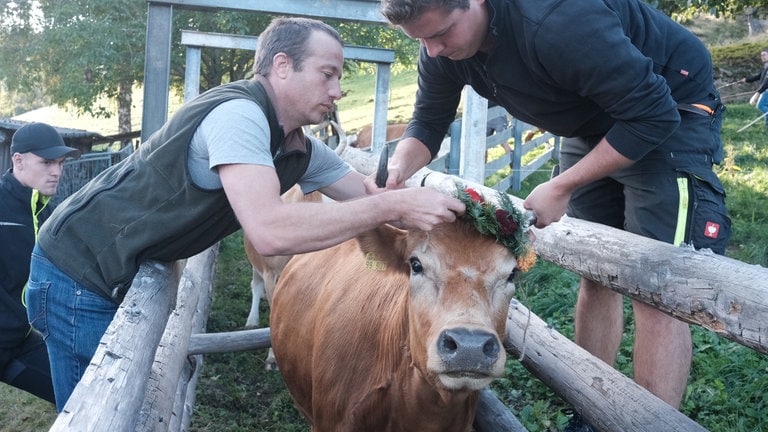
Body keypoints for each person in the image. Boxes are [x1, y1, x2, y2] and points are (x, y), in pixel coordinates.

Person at [25, 17, 464, 412]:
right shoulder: (239, 116)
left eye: (340, 78)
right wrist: (392, 205)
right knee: (101, 414)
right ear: (282, 66)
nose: (337, 90)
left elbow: (366, 195)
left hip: (108, 269)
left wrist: (456, 216)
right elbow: (269, 231)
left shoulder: (296, 146)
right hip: (78, 271)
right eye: (327, 74)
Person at [376, 0, 731, 429]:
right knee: (596, 271)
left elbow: (652, 113)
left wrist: (563, 185)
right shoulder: (439, 48)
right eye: (421, 40)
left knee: (655, 287)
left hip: (668, 111)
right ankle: (590, 410)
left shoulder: (555, 19)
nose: (431, 49)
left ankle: (648, 424)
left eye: (441, 33)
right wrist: (396, 173)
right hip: (592, 123)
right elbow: (427, 124)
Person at [1, 122, 80, 404]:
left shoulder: (39, 209)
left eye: (59, 162)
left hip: (18, 340)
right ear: (18, 160)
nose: (56, 171)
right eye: (47, 162)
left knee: (81, 393)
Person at [743, 48, 768, 127]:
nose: (762, 57)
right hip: (764, 90)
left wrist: (758, 92)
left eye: (764, 55)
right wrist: (746, 80)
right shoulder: (765, 67)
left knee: (760, 105)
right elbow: (758, 77)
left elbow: (767, 82)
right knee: (765, 107)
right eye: (761, 55)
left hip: (766, 91)